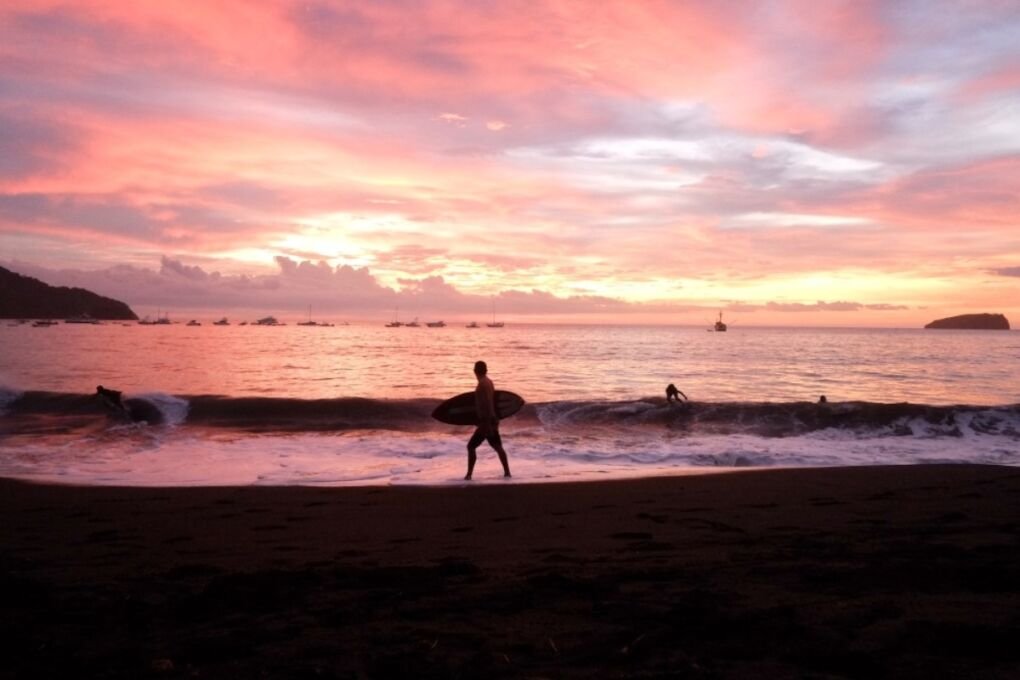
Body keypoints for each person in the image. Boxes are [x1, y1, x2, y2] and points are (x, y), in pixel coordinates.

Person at [465, 360, 511, 480]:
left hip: (487, 422)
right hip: (491, 419)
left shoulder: (482, 385)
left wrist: (486, 424)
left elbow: (486, 404)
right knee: (497, 446)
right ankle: (507, 472)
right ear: (486, 370)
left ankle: (469, 475)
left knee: (471, 446)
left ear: (475, 371)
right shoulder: (489, 382)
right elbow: (492, 402)